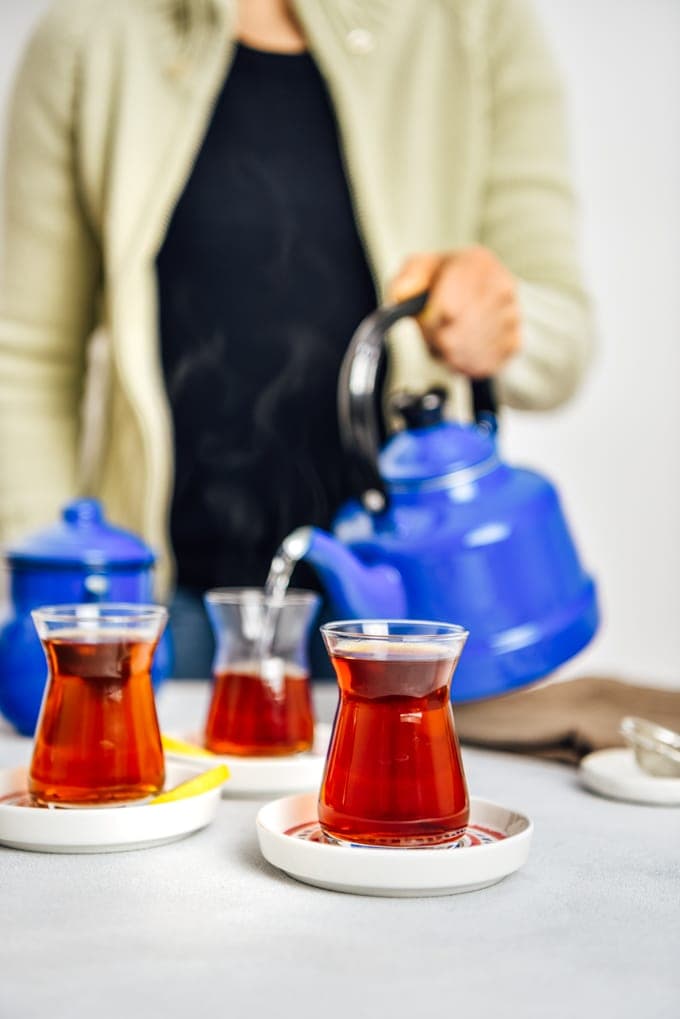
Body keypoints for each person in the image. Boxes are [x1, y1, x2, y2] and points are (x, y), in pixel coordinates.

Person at [0, 0, 593, 677]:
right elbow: (27, 357)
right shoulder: (90, 33)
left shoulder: (476, 23)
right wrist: (56, 610)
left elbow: (564, 338)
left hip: (420, 625)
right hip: (170, 625)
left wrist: (504, 320)